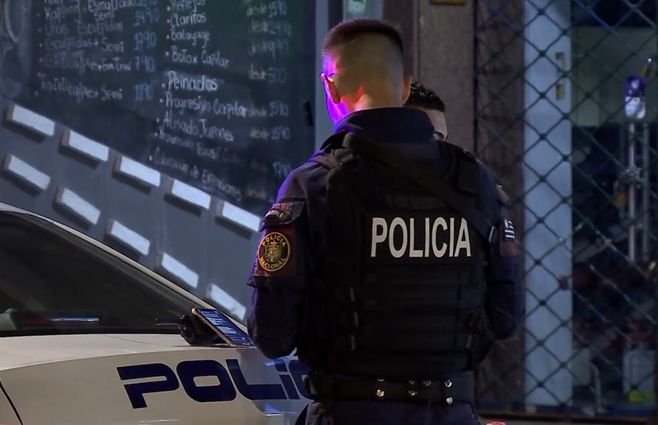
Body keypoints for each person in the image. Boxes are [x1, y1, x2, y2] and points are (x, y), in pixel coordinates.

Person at [247, 18, 523, 425]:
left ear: (331, 86)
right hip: (451, 413)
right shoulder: (474, 180)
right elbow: (505, 316)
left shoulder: (314, 184)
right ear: (406, 86)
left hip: (351, 413)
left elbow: (272, 333)